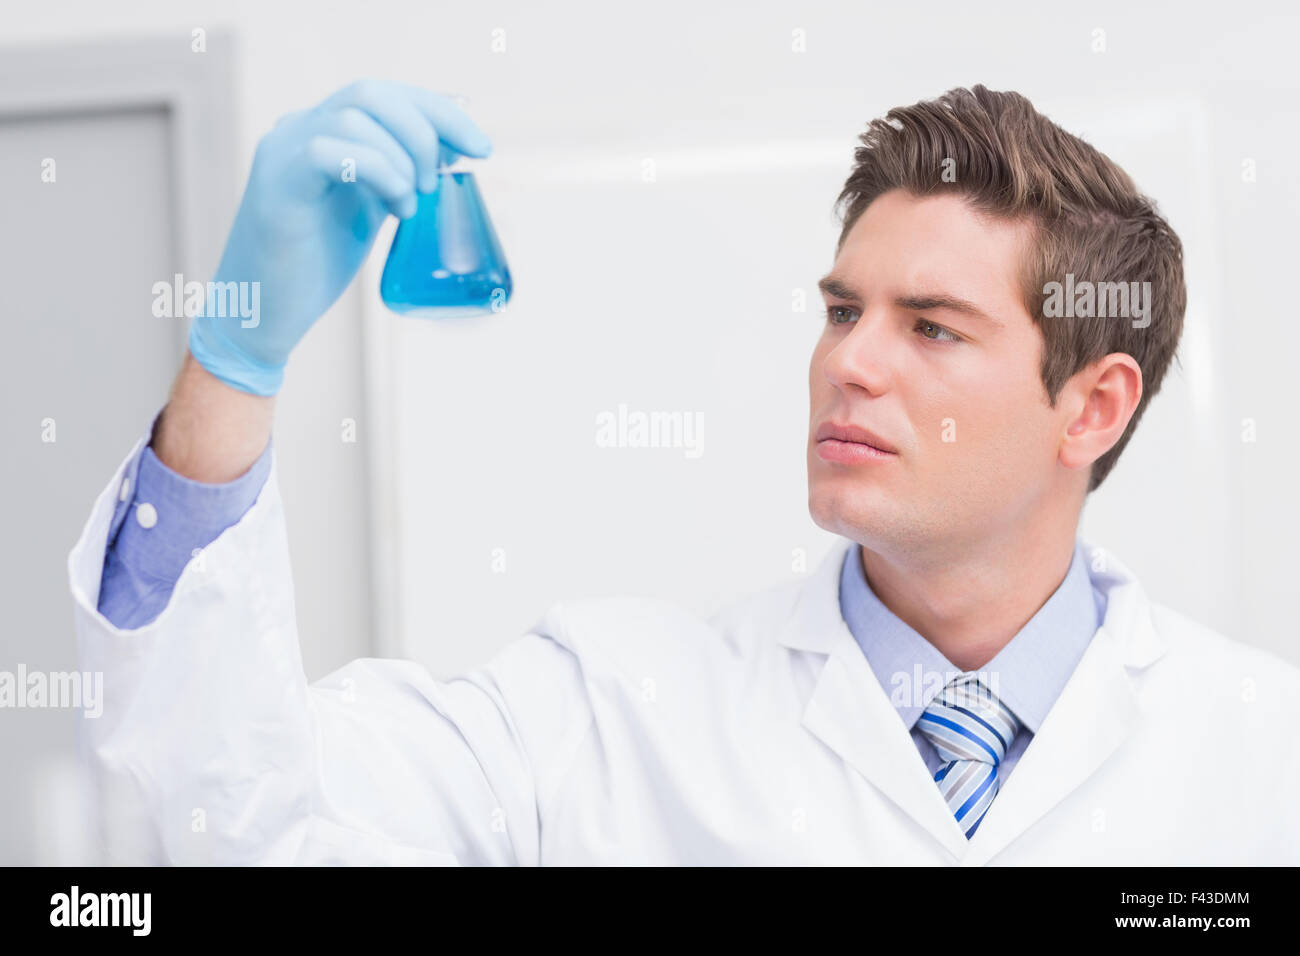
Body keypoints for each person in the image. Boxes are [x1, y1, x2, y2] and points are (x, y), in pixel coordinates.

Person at [68, 80, 1299, 865]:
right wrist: (237, 356)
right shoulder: (603, 714)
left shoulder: (1261, 754)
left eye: (930, 325)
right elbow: (236, 819)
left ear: (1091, 406)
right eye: (838, 308)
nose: (847, 362)